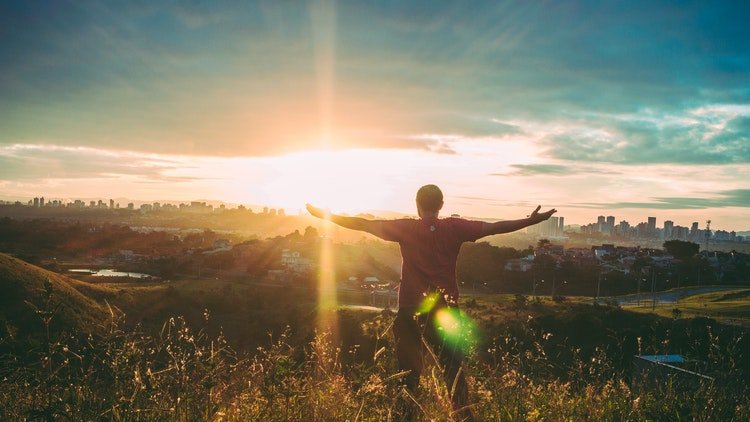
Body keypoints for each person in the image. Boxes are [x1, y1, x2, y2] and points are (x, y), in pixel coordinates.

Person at [306, 184, 556, 421]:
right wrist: (532, 220)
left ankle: (405, 416)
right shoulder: (455, 227)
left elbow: (362, 224)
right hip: (446, 309)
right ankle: (463, 418)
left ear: (417, 205)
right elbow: (495, 227)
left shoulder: (406, 228)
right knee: (453, 370)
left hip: (410, 310)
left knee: (408, 374)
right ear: (441, 204)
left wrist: (325, 216)